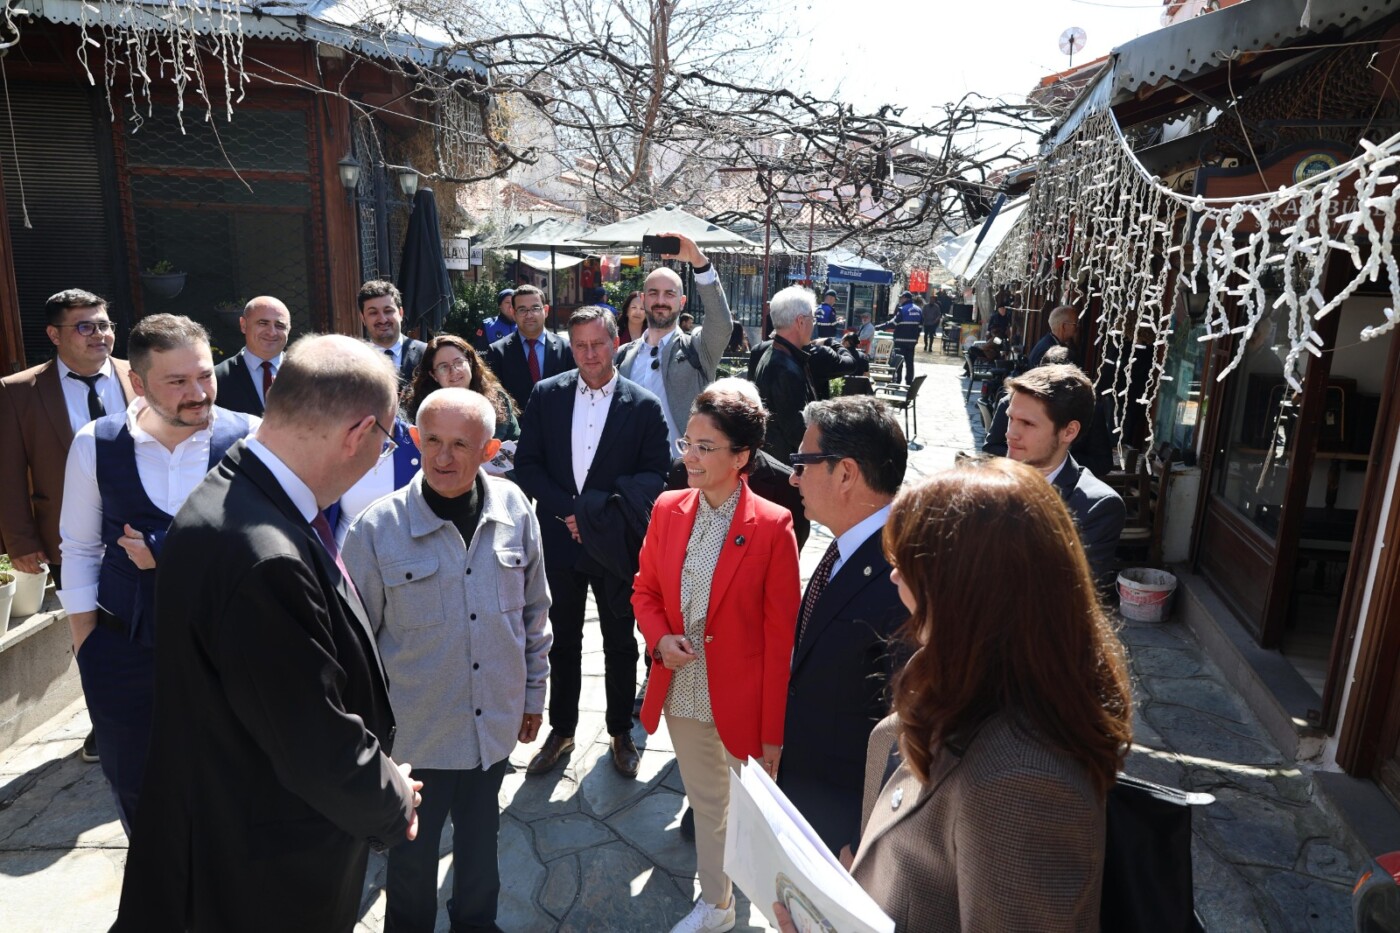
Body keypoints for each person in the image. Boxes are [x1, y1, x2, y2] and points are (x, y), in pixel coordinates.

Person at [114, 335, 421, 933]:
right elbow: (311, 737)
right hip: (263, 862)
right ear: (359, 434)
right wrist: (393, 798)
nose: (380, 457)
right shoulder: (264, 556)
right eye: (387, 441)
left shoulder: (239, 488)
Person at [775, 458, 1133, 933]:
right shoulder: (957, 680)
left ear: (971, 588)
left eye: (907, 564)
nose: (894, 578)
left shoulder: (1024, 779)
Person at [343, 388, 551, 933]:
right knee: (411, 863)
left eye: (461, 444)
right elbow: (353, 647)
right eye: (431, 440)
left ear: (490, 449)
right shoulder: (374, 529)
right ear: (413, 438)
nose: (443, 458)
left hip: (493, 728)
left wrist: (533, 695)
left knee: (482, 847)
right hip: (415, 740)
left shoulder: (515, 509)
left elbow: (534, 612)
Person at [58, 313, 257, 833]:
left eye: (206, 375)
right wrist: (88, 646)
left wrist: (171, 550)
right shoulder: (95, 443)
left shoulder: (252, 438)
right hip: (125, 653)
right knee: (138, 791)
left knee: (236, 790)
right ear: (139, 385)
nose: (199, 393)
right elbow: (78, 549)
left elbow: (277, 543)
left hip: (231, 650)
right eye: (178, 381)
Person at [634, 386, 801, 933]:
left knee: (757, 817)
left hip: (744, 699)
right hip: (682, 690)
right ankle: (718, 904)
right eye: (689, 443)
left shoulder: (774, 526)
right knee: (707, 807)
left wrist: (773, 733)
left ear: (742, 456)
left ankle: (780, 907)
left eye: (706, 447)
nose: (690, 456)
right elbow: (644, 592)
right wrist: (659, 640)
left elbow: (782, 641)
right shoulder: (667, 508)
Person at [514, 307, 670, 778]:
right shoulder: (546, 395)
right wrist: (569, 512)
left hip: (615, 542)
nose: (589, 354)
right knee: (561, 639)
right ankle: (561, 732)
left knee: (620, 640)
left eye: (597, 344)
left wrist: (596, 512)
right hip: (560, 538)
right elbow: (529, 464)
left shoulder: (643, 405)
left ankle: (622, 732)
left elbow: (654, 475)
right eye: (579, 345)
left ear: (615, 339)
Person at [1, 290, 132, 765]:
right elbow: (9, 472)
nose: (100, 334)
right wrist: (20, 541)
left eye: (104, 324)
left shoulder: (136, 373)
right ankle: (106, 721)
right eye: (85, 327)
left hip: (142, 530)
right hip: (70, 538)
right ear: (54, 335)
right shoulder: (19, 391)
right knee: (89, 631)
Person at [778, 397, 908, 861]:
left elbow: (904, 728)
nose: (793, 477)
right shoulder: (845, 546)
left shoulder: (901, 577)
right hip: (812, 795)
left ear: (847, 473)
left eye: (803, 463)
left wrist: (869, 830)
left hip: (847, 826)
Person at [1005, 363, 1125, 589]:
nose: (1010, 433)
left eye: (1027, 423)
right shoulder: (986, 482)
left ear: (1069, 431)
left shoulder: (1095, 507)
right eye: (1011, 418)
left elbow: (1070, 598)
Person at [615, 232, 735, 446]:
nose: (660, 301)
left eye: (669, 294)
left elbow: (721, 323)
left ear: (682, 301)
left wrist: (699, 262)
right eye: (653, 293)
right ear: (643, 300)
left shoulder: (696, 349)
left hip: (682, 470)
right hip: (632, 472)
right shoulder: (624, 355)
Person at [752, 286, 819, 462]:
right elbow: (797, 432)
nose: (814, 324)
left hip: (773, 463)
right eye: (813, 319)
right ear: (800, 321)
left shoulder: (773, 353)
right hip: (784, 470)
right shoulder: (784, 366)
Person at [486, 284, 574, 410]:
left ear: (546, 310)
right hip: (518, 426)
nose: (529, 315)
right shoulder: (497, 351)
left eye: (535, 308)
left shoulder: (566, 348)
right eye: (522, 310)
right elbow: (494, 397)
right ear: (513, 313)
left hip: (558, 425)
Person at [211, 296, 292, 416]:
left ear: (289, 329)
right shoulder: (217, 378)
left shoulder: (307, 375)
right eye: (263, 323)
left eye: (280, 325)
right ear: (243, 325)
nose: (272, 332)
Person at [361, 279, 427, 386]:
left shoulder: (426, 354)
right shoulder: (355, 358)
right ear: (363, 318)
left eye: (388, 311)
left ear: (401, 313)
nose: (382, 319)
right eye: (373, 313)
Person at [473, 288, 517, 352]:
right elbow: (479, 352)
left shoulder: (524, 324)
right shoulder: (487, 325)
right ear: (500, 305)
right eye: (507, 302)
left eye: (514, 302)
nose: (511, 306)